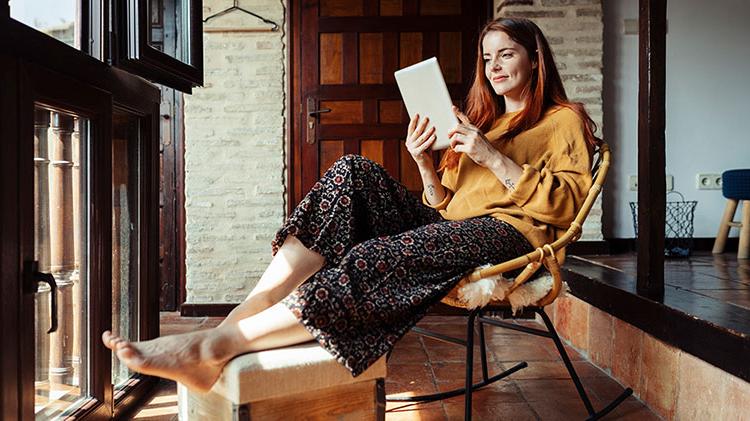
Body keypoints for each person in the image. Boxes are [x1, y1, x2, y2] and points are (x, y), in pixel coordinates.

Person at [102, 17, 599, 392]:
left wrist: (491, 157)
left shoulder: (564, 121)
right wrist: (425, 162)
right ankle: (245, 314)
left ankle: (215, 345)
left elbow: (565, 210)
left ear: (535, 57)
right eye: (487, 58)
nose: (493, 67)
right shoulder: (481, 123)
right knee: (351, 173)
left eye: (506, 54)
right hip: (455, 228)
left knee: (373, 256)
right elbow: (443, 203)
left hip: (511, 235)